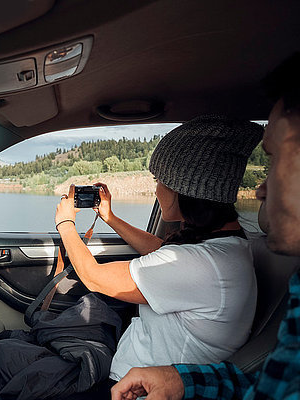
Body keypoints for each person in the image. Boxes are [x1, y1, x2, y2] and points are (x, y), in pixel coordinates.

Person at [111, 52, 300, 400]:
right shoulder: (214, 249)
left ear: (188, 191)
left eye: (273, 158)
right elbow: (263, 387)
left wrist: (65, 224)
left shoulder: (208, 259)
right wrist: (181, 381)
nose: (260, 188)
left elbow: (101, 277)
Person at [55, 115, 262, 389]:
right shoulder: (227, 246)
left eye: (159, 180)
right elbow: (163, 251)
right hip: (137, 376)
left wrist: (65, 223)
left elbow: (94, 277)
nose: (156, 189)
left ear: (185, 190)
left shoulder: (201, 265)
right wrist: (110, 218)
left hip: (134, 390)